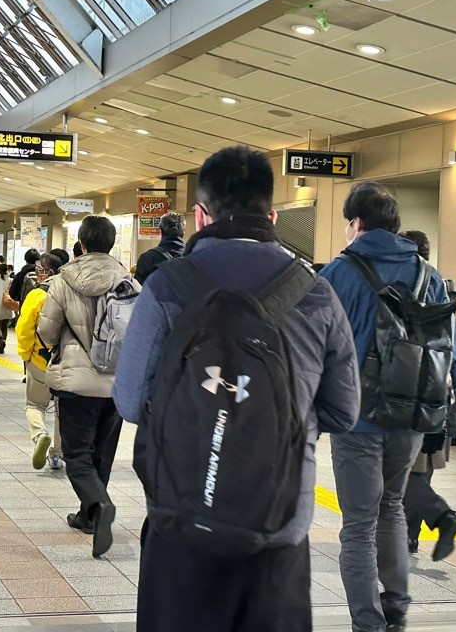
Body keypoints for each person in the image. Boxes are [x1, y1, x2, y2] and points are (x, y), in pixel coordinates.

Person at [113, 146, 360, 632]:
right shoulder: (316, 291)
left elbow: (128, 400)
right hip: (279, 527)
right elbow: (344, 410)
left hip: (182, 521)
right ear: (271, 215)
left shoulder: (167, 286)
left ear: (200, 214)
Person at [319, 182, 456, 632]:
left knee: (358, 525)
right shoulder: (428, 273)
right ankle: (395, 608)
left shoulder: (338, 273)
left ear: (355, 224)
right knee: (393, 506)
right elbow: (449, 352)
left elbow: (311, 347)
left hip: (357, 416)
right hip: (412, 413)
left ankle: (368, 623)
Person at [38, 216, 129, 558]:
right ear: (111, 244)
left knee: (77, 455)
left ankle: (99, 505)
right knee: (101, 453)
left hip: (76, 382)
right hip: (116, 383)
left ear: (82, 245)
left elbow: (46, 331)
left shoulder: (63, 281)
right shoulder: (127, 280)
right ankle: (88, 517)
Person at [400, 231, 456, 562]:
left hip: (411, 395)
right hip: (442, 394)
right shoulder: (454, 292)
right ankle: (410, 539)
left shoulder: (413, 291)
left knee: (405, 472)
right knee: (420, 469)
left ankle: (439, 518)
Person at [16, 253, 65, 472]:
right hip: (67, 363)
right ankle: (57, 456)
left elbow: (24, 329)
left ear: (49, 272)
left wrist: (25, 355)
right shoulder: (69, 293)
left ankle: (40, 434)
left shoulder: (37, 295)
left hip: (40, 360)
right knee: (62, 410)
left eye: (40, 271)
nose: (37, 275)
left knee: (35, 405)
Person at [134, 212, 185, 285]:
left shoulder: (147, 259)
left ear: (161, 232)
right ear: (183, 234)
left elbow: (138, 293)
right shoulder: (194, 258)